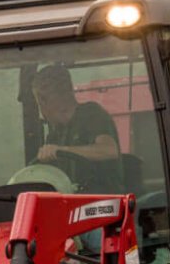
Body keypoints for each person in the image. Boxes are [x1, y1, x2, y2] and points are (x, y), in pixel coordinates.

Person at [30, 65, 122, 193]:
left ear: (43, 100)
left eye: (39, 103)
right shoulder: (54, 135)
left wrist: (62, 150)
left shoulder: (92, 114)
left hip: (104, 205)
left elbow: (109, 150)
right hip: (71, 205)